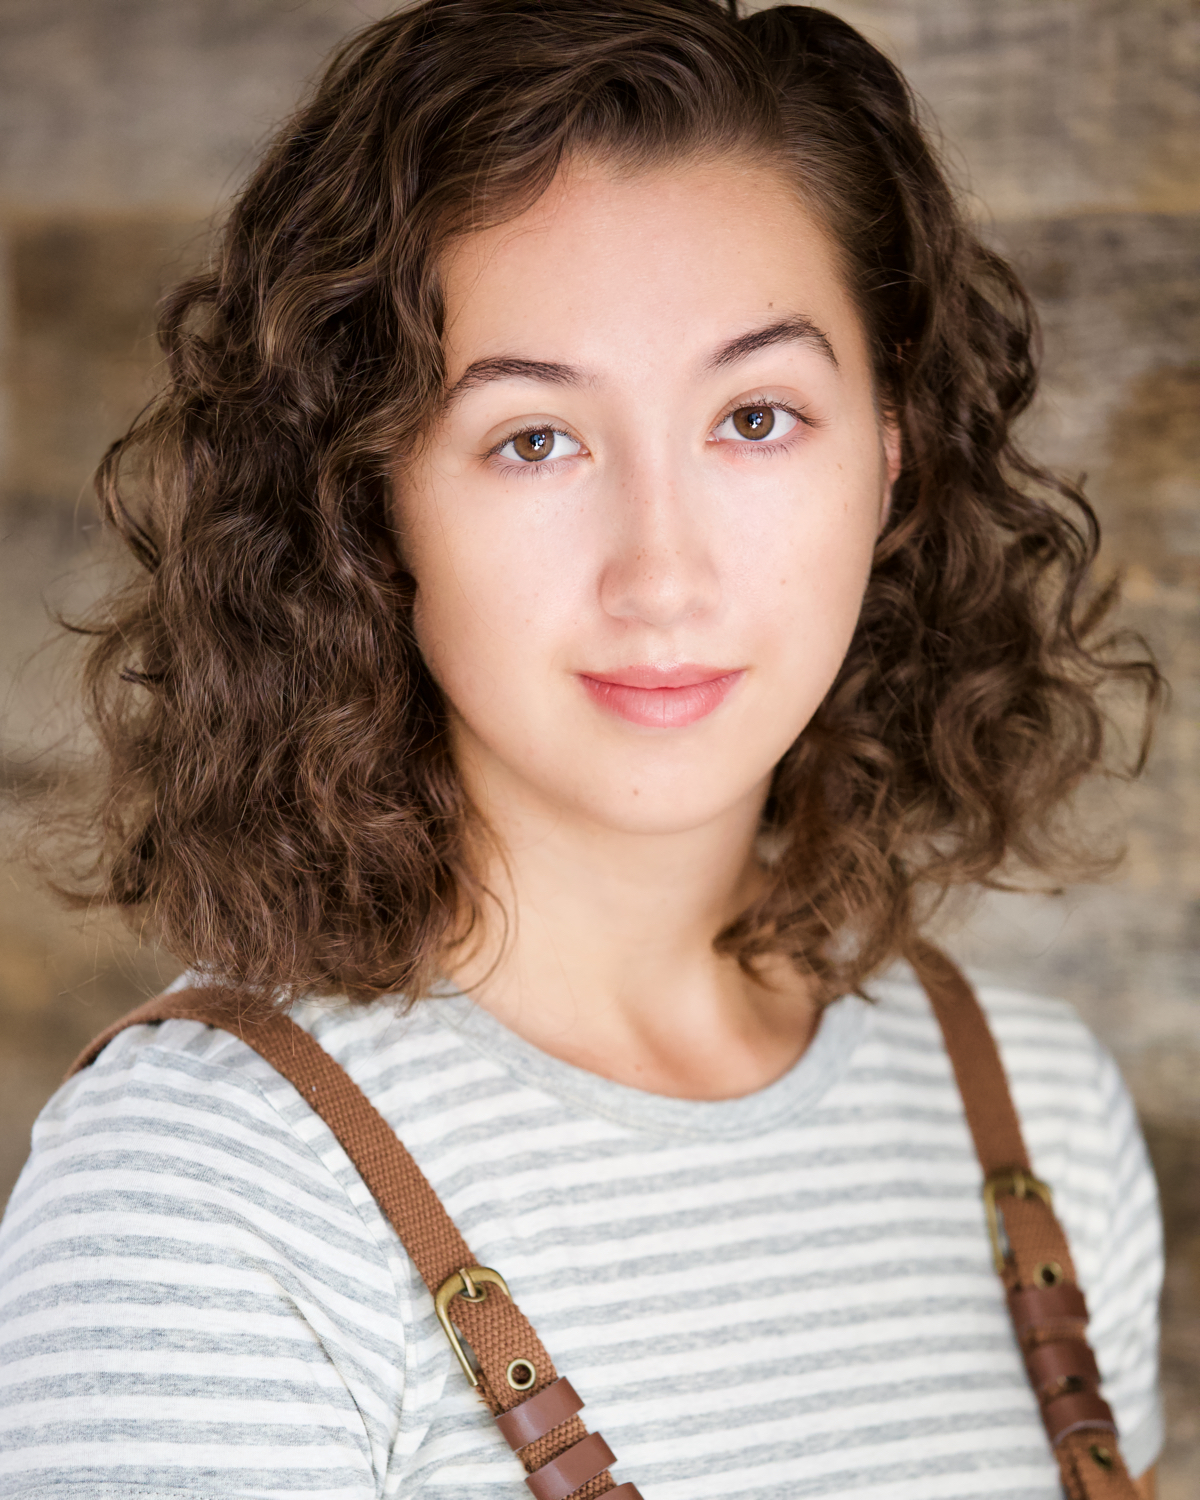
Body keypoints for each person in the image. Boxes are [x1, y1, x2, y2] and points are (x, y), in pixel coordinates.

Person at [0, 2, 1164, 1496]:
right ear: (369, 504)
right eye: (534, 439)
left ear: (892, 451)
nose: (661, 575)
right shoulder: (201, 1190)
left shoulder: (1041, 1115)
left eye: (756, 417)